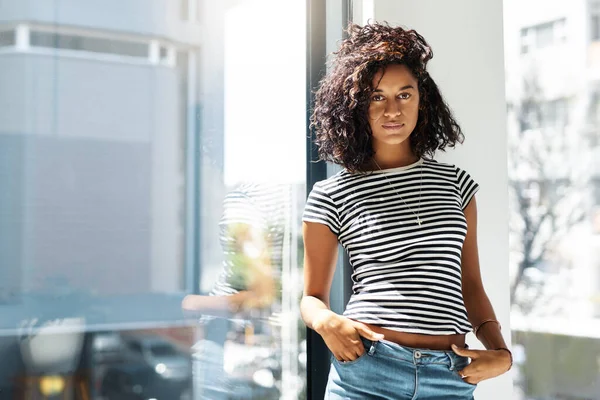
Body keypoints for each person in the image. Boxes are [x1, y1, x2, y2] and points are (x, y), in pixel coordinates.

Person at [301, 22, 512, 399]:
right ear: (355, 106)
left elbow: (471, 285)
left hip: (451, 376)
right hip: (367, 371)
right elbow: (311, 296)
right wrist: (326, 322)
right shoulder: (331, 192)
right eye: (376, 97)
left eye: (404, 94)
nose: (392, 109)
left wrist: (501, 353)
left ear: (422, 100)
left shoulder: (456, 184)